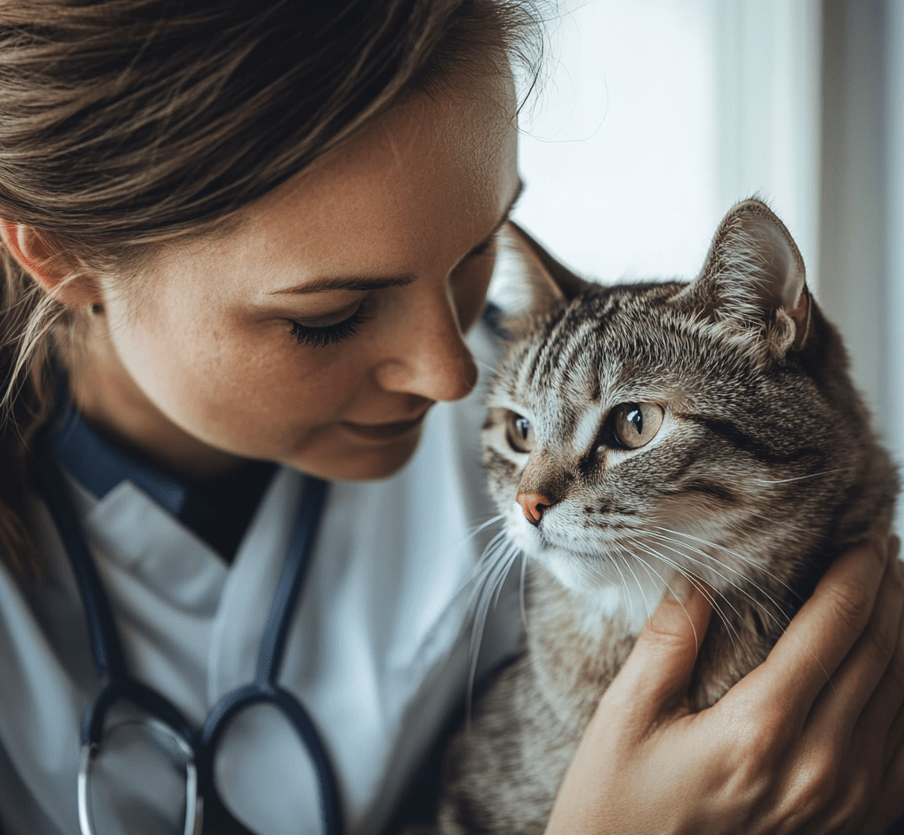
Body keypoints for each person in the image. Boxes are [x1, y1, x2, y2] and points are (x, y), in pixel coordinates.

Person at [0, 2, 902, 834]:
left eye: (475, 253)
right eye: (329, 315)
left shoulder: (547, 394)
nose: (452, 372)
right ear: (64, 258)